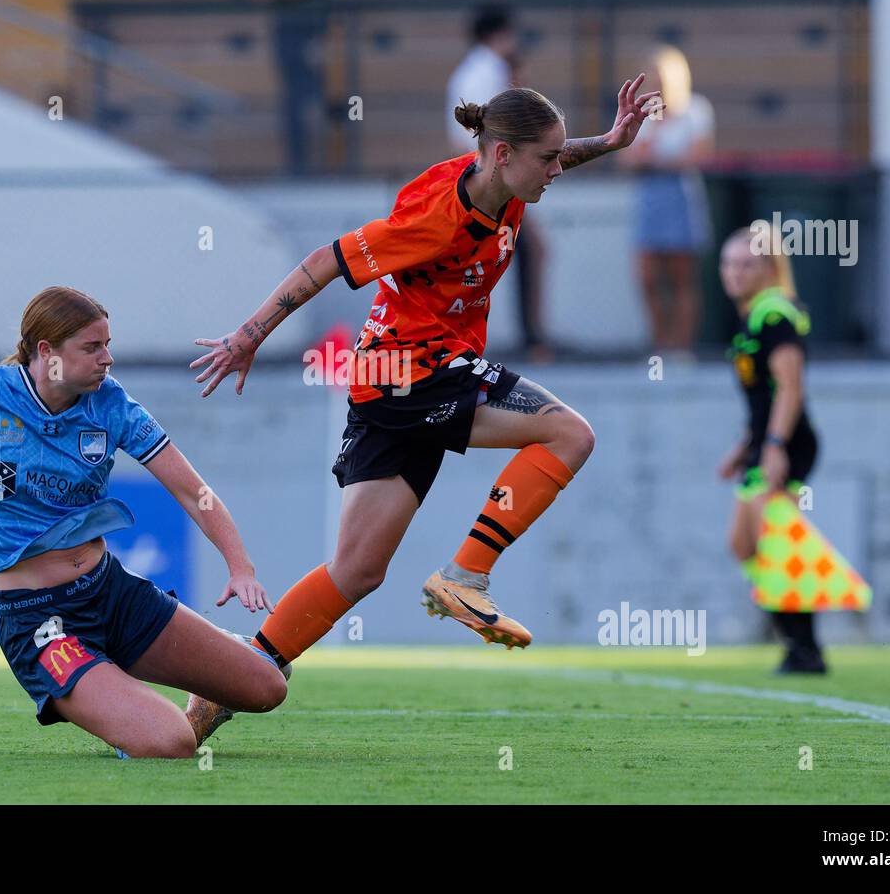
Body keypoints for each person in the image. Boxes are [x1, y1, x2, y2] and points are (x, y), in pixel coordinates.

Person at [187, 77, 661, 739]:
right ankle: (465, 575)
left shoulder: (504, 176)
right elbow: (325, 261)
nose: (558, 169)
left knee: (356, 570)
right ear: (501, 154)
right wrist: (248, 336)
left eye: (560, 157)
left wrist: (609, 143)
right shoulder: (436, 218)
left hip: (386, 382)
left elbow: (549, 153)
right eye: (547, 159)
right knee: (569, 436)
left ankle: (229, 681)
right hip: (418, 371)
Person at [0, 286, 287, 757]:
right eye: (92, 347)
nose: (107, 359)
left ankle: (181, 697)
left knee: (267, 686)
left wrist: (239, 564)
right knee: (172, 744)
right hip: (40, 621)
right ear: (48, 352)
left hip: (110, 594)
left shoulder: (112, 405)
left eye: (108, 344)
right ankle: (129, 709)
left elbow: (193, 490)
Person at [716, 228, 825, 673]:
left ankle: (804, 647)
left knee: (775, 544)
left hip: (788, 443)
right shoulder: (752, 316)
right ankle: (794, 636)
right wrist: (745, 446)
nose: (735, 273)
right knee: (742, 544)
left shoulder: (775, 314)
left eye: (747, 265)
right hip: (764, 443)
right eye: (728, 264)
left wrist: (775, 446)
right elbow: (761, 397)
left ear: (769, 270)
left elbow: (790, 388)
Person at [446, 6, 552, 359]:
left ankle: (523, 336)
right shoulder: (487, 72)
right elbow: (490, 130)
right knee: (526, 250)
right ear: (497, 35)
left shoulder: (472, 71)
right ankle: (531, 337)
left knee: (504, 253)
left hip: (486, 174)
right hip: (493, 177)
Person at [622, 46, 714, 352]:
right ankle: (659, 343)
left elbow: (698, 156)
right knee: (648, 275)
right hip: (649, 197)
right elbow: (630, 159)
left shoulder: (695, 110)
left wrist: (654, 159)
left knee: (681, 275)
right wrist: (656, 155)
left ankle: (682, 347)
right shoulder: (646, 113)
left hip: (681, 195)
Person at [240, 0, 327, 175]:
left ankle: (315, 163)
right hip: (283, 32)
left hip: (312, 30)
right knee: (292, 98)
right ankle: (297, 162)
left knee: (309, 97)